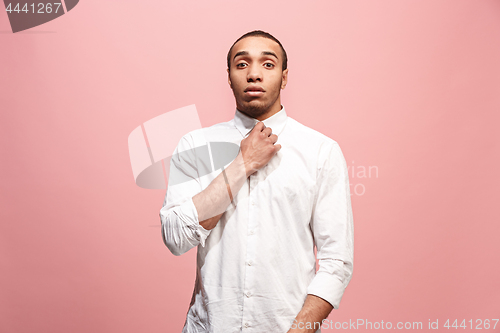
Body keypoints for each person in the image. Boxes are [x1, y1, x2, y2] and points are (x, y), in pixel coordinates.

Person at [160, 30, 354, 333]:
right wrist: (243, 164)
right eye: (242, 64)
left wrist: (300, 330)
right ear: (228, 76)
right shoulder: (195, 145)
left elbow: (336, 261)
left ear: (284, 76)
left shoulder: (320, 151)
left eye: (267, 64)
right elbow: (175, 237)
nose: (253, 74)